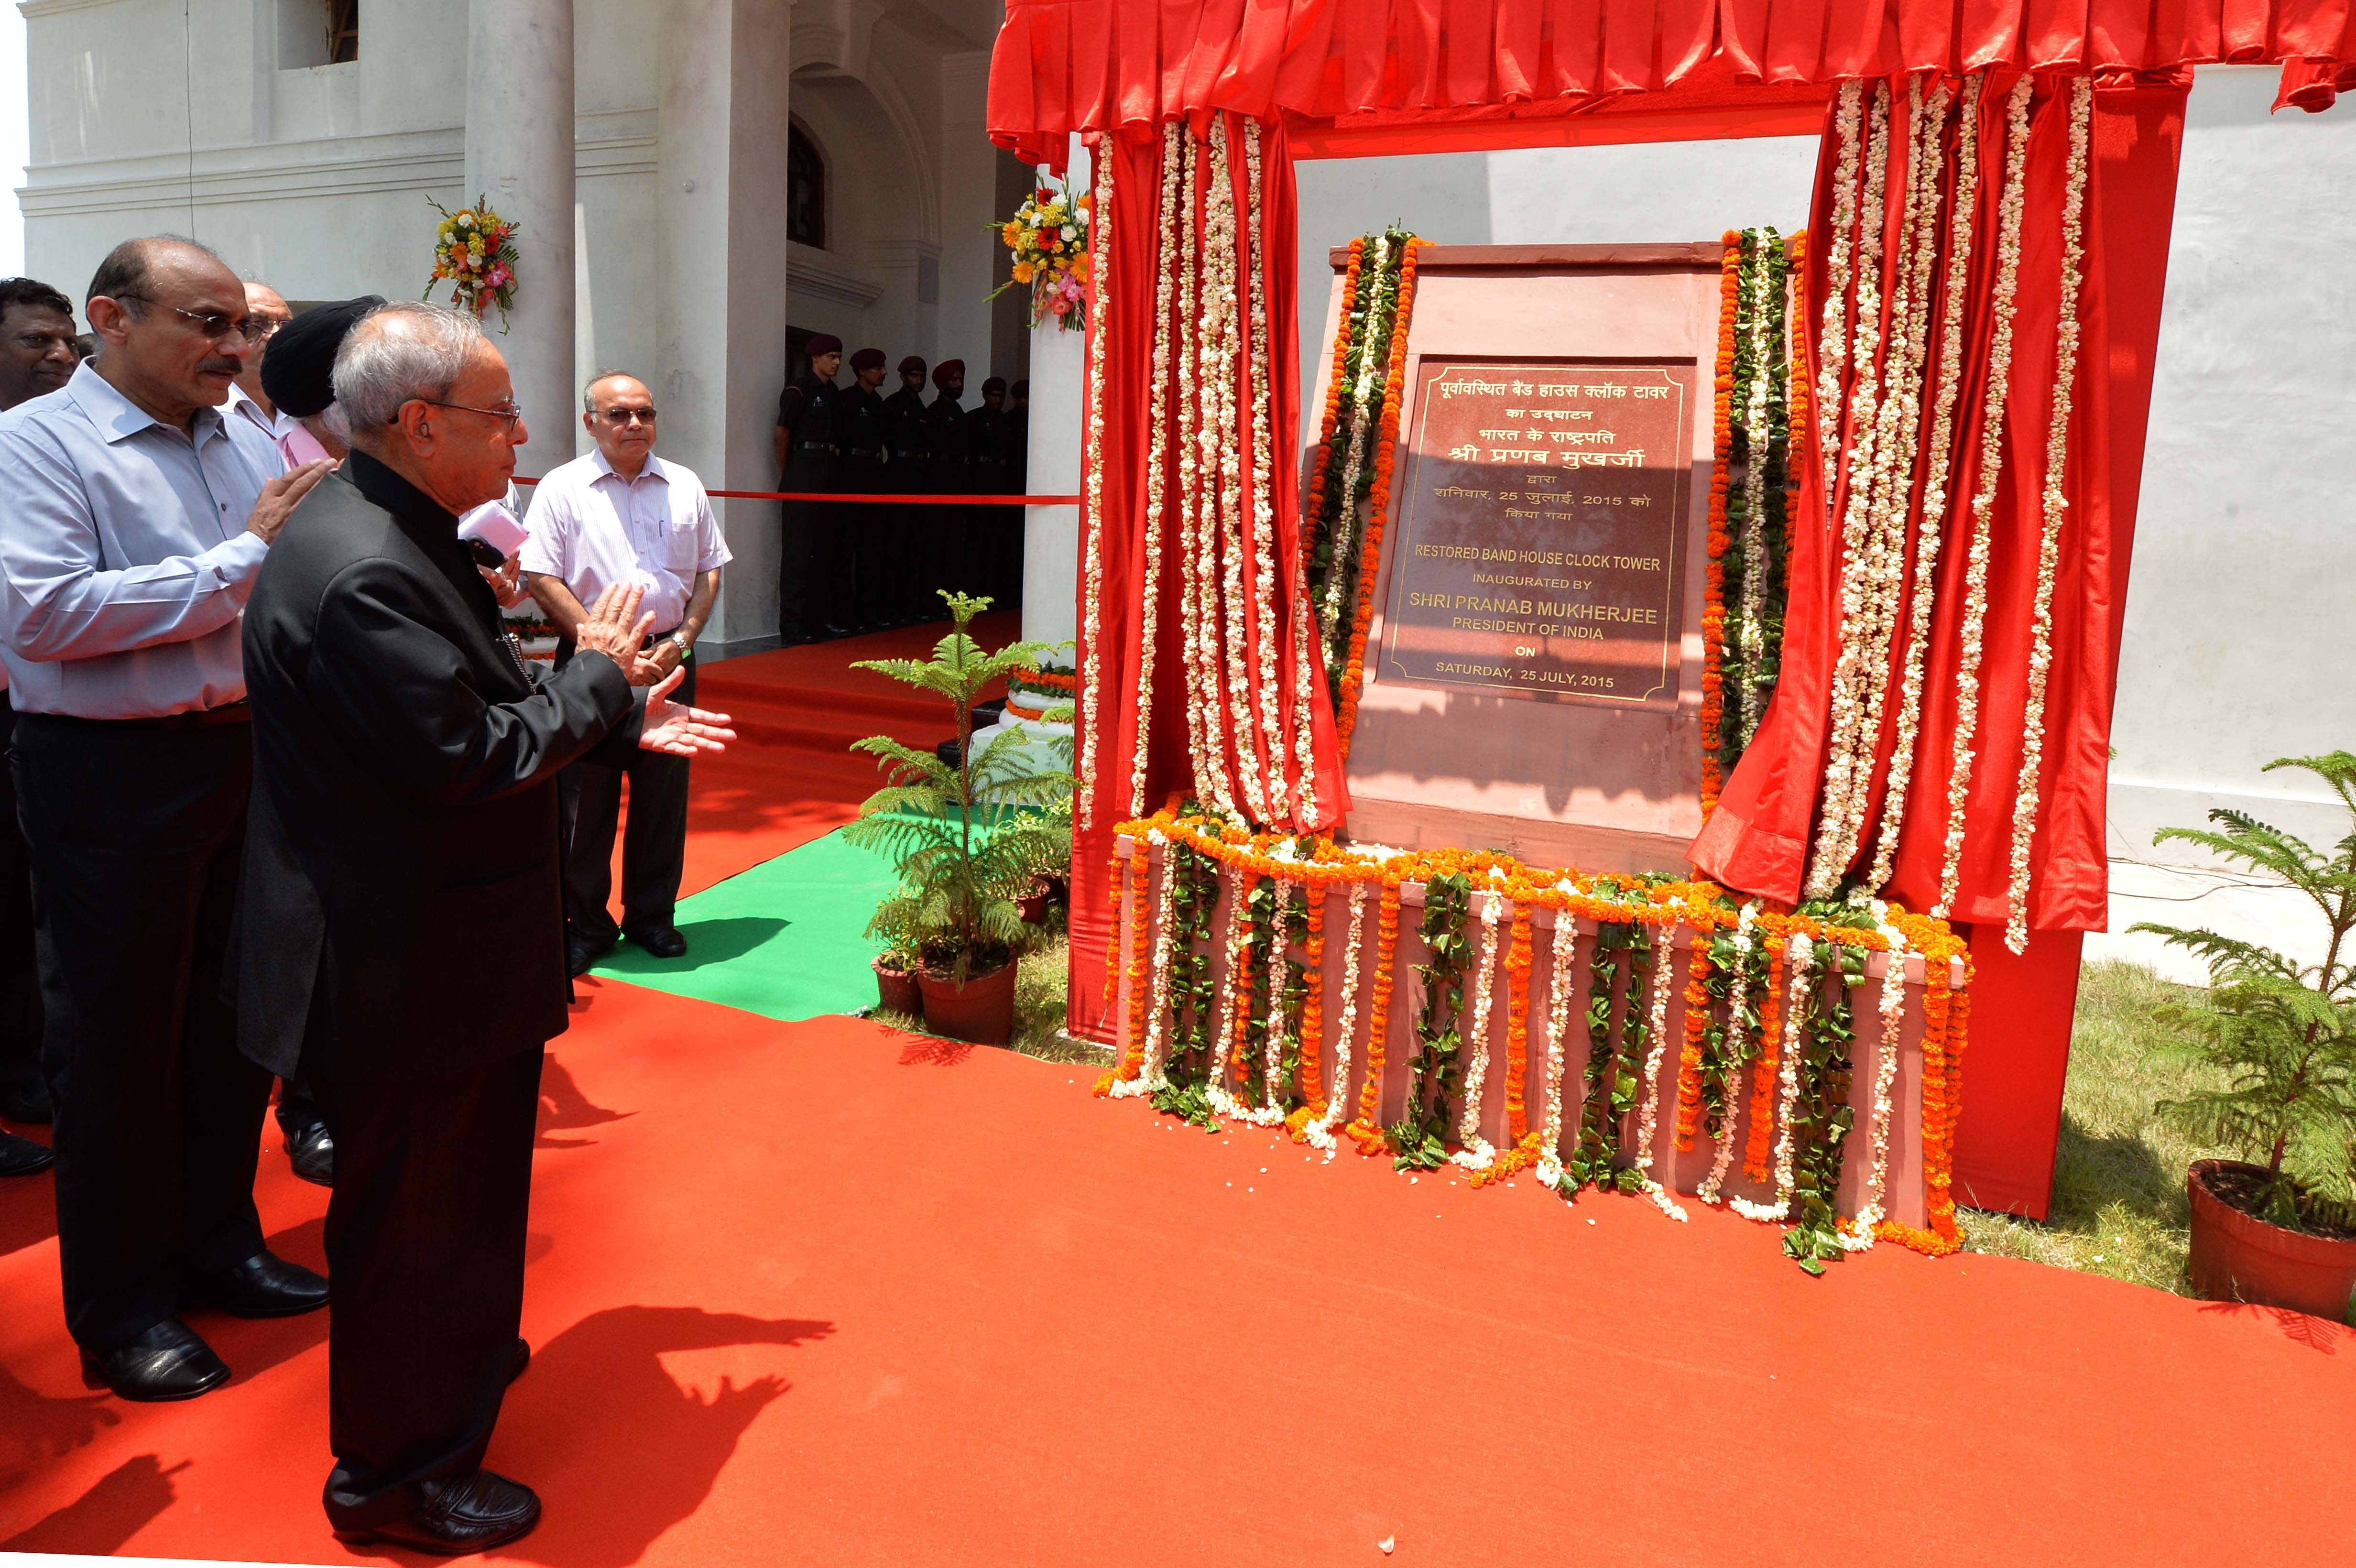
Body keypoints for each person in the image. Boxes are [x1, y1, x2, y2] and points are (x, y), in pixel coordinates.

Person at [236, 301, 733, 1553]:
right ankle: (397, 1479)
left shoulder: (399, 529)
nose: (522, 436)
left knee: (452, 1212)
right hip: (406, 965)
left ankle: (448, 1378)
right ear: (417, 423)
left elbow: (482, 701)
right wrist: (600, 682)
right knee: (417, 1227)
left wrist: (604, 710)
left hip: (439, 951)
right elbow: (471, 751)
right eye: (501, 414)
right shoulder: (361, 567)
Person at [0, 236, 334, 1398]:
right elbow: (46, 615)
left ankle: (219, 1242)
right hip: (109, 774)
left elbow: (288, 578)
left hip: (246, 755)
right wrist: (248, 555)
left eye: (239, 326)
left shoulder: (243, 432)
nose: (234, 348)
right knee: (118, 1049)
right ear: (110, 318)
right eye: (206, 323)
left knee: (233, 1027)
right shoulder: (34, 444)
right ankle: (121, 1305)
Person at [522, 370, 731, 975]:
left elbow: (707, 570)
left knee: (664, 795)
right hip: (590, 661)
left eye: (644, 412)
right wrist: (604, 648)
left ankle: (652, 917)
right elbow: (540, 576)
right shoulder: (562, 487)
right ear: (590, 421)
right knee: (584, 802)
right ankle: (585, 925)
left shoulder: (685, 484)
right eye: (618, 414)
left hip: (669, 657)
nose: (634, 424)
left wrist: (685, 639)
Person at [0, 275, 78, 1176]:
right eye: (34, 341)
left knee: (21, 907)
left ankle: (20, 1067)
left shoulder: (58, 446)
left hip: (32, 714)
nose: (58, 357)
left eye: (66, 342)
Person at [773, 334, 841, 645]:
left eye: (839, 356)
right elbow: (782, 435)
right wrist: (789, 473)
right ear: (815, 358)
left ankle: (819, 619)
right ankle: (792, 624)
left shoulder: (834, 392)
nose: (836, 362)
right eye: (831, 357)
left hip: (828, 470)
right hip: (803, 469)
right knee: (798, 552)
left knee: (824, 548)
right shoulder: (798, 390)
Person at [220, 281, 307, 465]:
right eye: (257, 324)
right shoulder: (207, 414)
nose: (276, 334)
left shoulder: (311, 411)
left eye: (285, 325)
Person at [839, 347, 893, 632]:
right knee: (847, 550)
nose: (883, 372)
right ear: (862, 371)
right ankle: (845, 613)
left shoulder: (880, 404)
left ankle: (868, 610)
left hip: (875, 477)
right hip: (851, 477)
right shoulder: (846, 400)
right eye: (877, 368)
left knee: (872, 548)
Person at [882, 355, 934, 627]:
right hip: (899, 474)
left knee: (916, 544)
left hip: (919, 476)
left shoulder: (923, 410)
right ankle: (891, 607)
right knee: (896, 544)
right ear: (902, 377)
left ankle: (910, 606)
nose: (919, 380)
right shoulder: (892, 405)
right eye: (914, 375)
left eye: (922, 375)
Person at [922, 359, 969, 612]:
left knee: (954, 541)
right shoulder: (934, 412)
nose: (958, 384)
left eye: (960, 380)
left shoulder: (959, 412)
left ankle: (952, 599)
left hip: (958, 478)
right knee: (936, 541)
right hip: (939, 478)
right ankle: (933, 601)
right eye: (953, 380)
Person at [965, 376, 1016, 606]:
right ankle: (975, 592)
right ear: (985, 396)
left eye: (1001, 396)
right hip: (980, 478)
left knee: (996, 540)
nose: (998, 400)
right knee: (978, 539)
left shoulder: (1006, 421)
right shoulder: (975, 418)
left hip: (999, 480)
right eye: (994, 395)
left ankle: (994, 593)